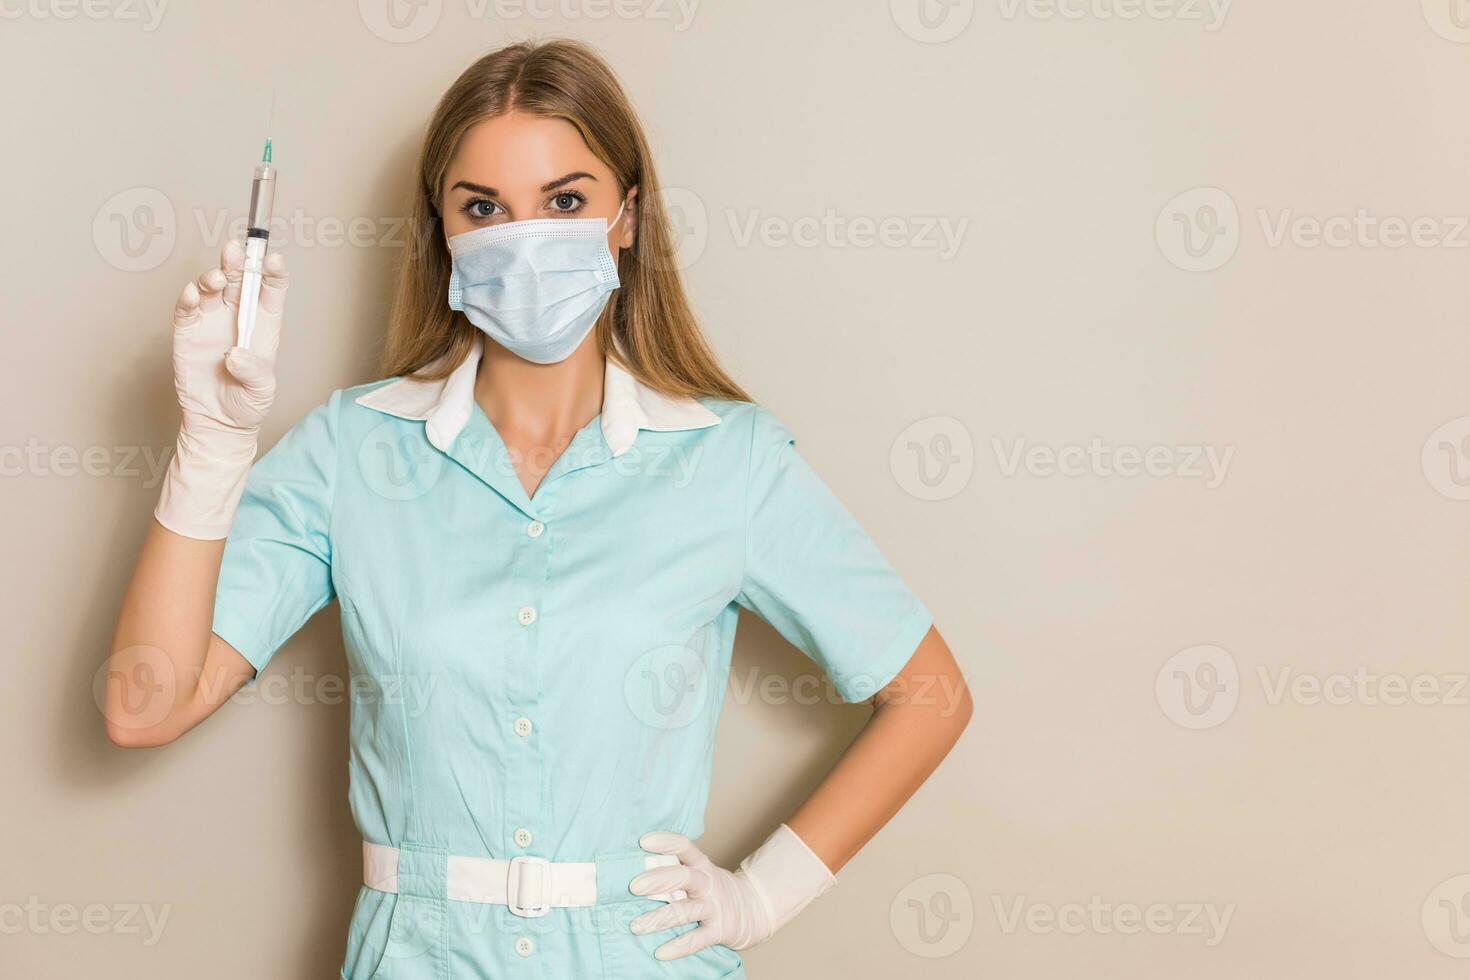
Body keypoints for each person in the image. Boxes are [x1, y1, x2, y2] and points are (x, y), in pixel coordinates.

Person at [105, 38, 972, 980]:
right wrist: (212, 444)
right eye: (484, 208)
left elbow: (929, 697)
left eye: (565, 201)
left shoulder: (731, 462)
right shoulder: (351, 451)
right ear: (442, 229)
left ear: (627, 217)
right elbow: (144, 708)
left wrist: (758, 898)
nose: (525, 240)